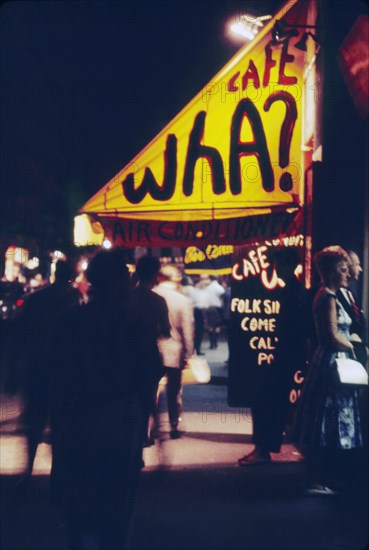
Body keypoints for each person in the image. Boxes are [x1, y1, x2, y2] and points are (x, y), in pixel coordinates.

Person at [50, 249, 146, 550]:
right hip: (115, 428)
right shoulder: (134, 325)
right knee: (114, 516)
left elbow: (56, 380)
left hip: (82, 427)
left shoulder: (72, 321)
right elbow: (145, 380)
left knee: (82, 512)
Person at [293, 246, 363, 495]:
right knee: (324, 421)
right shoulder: (328, 297)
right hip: (333, 362)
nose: (348, 274)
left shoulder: (329, 294)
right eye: (343, 270)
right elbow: (331, 335)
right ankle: (314, 479)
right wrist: (355, 344)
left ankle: (321, 477)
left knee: (325, 421)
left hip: (331, 360)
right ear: (332, 272)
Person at [238, 246, 308, 467]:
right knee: (267, 402)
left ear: (290, 266)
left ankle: (263, 450)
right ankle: (261, 449)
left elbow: (297, 329)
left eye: (279, 265)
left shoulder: (294, 292)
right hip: (286, 355)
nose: (276, 270)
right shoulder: (291, 290)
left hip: (287, 356)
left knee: (267, 402)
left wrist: (293, 357)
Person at [18, 260, 79, 480]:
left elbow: (21, 337)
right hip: (63, 370)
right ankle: (58, 476)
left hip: (38, 367)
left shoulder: (35, 299)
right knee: (61, 426)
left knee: (35, 424)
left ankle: (27, 473)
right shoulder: (74, 301)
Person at [128, 256, 171, 446]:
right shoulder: (158, 301)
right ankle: (143, 435)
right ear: (155, 275)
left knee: (129, 399)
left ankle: (131, 437)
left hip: (127, 356)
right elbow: (166, 331)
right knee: (147, 399)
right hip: (148, 357)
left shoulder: (127, 297)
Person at [154, 265, 194, 439]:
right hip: (174, 351)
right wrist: (188, 354)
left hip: (151, 350)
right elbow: (187, 330)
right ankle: (174, 424)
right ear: (176, 279)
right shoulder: (182, 300)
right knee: (174, 390)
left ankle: (150, 428)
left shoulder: (149, 295)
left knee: (150, 390)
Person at [337, 250, 367, 367]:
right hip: (342, 360)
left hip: (356, 358)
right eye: (357, 265)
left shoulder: (350, 294)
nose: (360, 269)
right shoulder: (330, 294)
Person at [204, 276, 225, 350]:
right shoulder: (219, 287)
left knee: (210, 326)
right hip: (217, 309)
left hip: (209, 308)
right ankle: (215, 342)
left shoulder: (207, 288)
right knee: (217, 327)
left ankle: (211, 343)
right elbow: (223, 296)